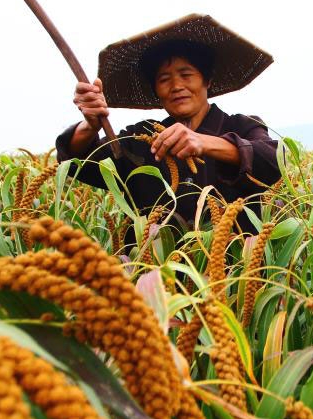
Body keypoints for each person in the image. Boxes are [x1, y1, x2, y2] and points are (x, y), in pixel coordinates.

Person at [54, 15, 280, 248]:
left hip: (234, 267)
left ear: (208, 80)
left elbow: (273, 161)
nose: (176, 86)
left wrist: (204, 142)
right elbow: (79, 164)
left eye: (186, 75)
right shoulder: (140, 139)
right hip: (152, 269)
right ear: (155, 90)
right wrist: (90, 126)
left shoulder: (242, 126)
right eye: (164, 79)